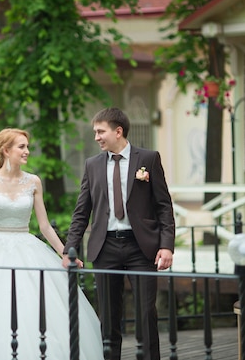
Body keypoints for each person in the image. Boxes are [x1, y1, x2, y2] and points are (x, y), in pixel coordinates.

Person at [0, 128, 103, 360]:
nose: (27, 151)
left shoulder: (33, 181)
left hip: (26, 246)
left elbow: (44, 226)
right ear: (6, 150)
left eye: (27, 146)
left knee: (34, 307)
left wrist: (65, 254)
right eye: (21, 146)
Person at [62, 107, 175, 360]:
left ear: (118, 131)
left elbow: (164, 207)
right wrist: (70, 249)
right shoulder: (92, 165)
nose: (97, 137)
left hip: (141, 248)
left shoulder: (148, 159)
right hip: (105, 248)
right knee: (109, 319)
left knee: (147, 315)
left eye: (100, 131)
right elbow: (82, 211)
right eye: (95, 132)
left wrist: (166, 245)